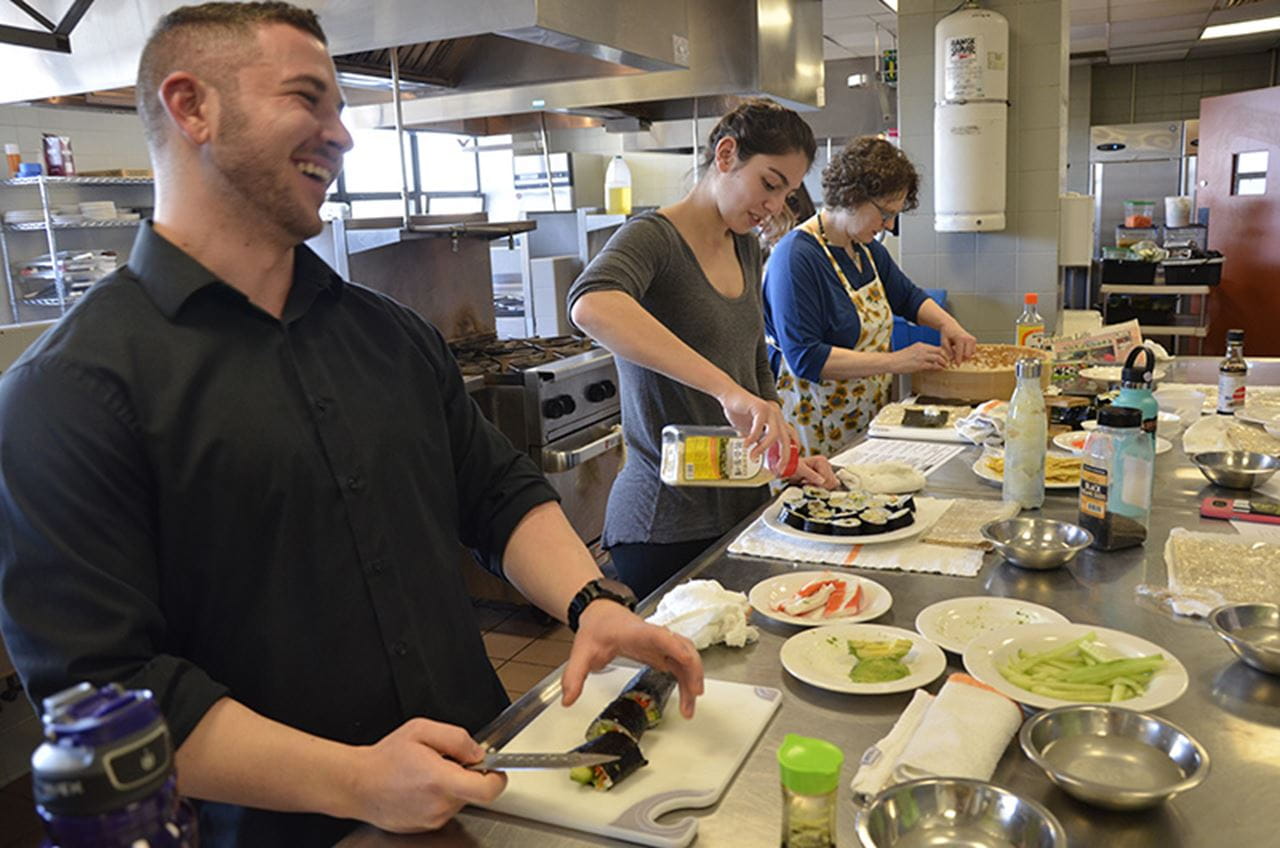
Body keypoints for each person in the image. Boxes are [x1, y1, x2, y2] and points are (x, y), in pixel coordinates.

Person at [0, 4, 702, 845]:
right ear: (191, 107)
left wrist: (590, 602)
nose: (342, 137)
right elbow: (109, 692)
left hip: (484, 786)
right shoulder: (67, 392)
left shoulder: (391, 333)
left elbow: (493, 490)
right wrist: (359, 781)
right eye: (309, 99)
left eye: (340, 107)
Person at [569, 99, 839, 601]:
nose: (776, 206)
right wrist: (726, 391)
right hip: (662, 525)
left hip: (740, 506)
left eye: (788, 193)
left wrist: (784, 456)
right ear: (726, 154)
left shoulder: (743, 246)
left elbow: (754, 361)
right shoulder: (653, 238)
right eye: (770, 183)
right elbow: (591, 305)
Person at [762, 136, 978, 456]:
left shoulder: (865, 249)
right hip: (812, 429)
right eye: (885, 213)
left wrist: (950, 326)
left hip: (861, 422)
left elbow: (908, 297)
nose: (889, 225)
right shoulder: (796, 257)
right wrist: (898, 361)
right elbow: (806, 357)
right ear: (852, 197)